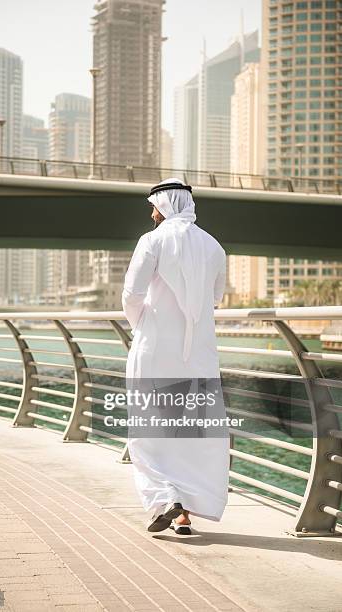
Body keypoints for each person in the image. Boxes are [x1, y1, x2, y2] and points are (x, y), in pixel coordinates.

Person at [121, 178, 230, 535]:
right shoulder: (214, 247)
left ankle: (166, 498)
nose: (152, 212)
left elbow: (131, 294)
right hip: (198, 354)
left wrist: (145, 327)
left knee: (147, 429)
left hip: (154, 350)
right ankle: (184, 509)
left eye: (154, 206)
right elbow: (215, 299)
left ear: (164, 205)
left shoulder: (151, 240)